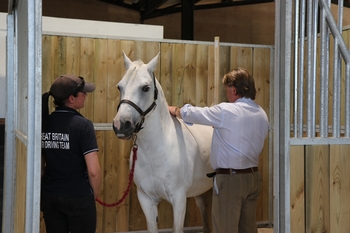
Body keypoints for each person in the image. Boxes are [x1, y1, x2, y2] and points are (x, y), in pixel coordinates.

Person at [168, 67, 269, 233]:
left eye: (226, 89)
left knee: (225, 228)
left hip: (231, 180)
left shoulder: (226, 111)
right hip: (253, 178)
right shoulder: (261, 114)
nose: (226, 93)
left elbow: (195, 114)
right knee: (248, 229)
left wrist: (174, 110)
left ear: (234, 89)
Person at [41, 74, 102, 233]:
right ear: (71, 99)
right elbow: (93, 172)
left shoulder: (44, 123)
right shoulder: (83, 125)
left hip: (50, 195)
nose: (86, 96)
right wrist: (93, 195)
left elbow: (40, 167)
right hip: (78, 196)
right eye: (83, 93)